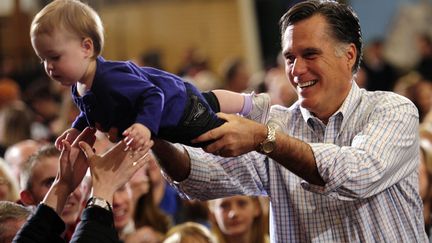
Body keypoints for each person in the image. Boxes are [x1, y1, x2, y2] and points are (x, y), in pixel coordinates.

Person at [150, 0, 428, 242]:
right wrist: (155, 131)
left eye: (310, 54)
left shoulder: (392, 109)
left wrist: (265, 139)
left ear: (349, 55)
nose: (296, 70)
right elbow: (200, 178)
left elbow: (358, 175)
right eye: (289, 58)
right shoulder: (275, 123)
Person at [30, 0, 269, 152]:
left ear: (86, 48)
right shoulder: (79, 86)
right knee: (207, 100)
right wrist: (76, 129)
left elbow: (152, 94)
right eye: (43, 60)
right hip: (177, 99)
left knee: (215, 136)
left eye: (54, 57)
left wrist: (144, 126)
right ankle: (249, 102)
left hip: (177, 112)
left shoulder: (110, 79)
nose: (49, 67)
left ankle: (260, 128)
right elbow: (90, 113)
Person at [13, 127, 150, 243]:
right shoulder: (11, 228)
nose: (72, 193)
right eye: (50, 182)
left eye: (77, 183)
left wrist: (64, 185)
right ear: (27, 197)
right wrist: (103, 187)